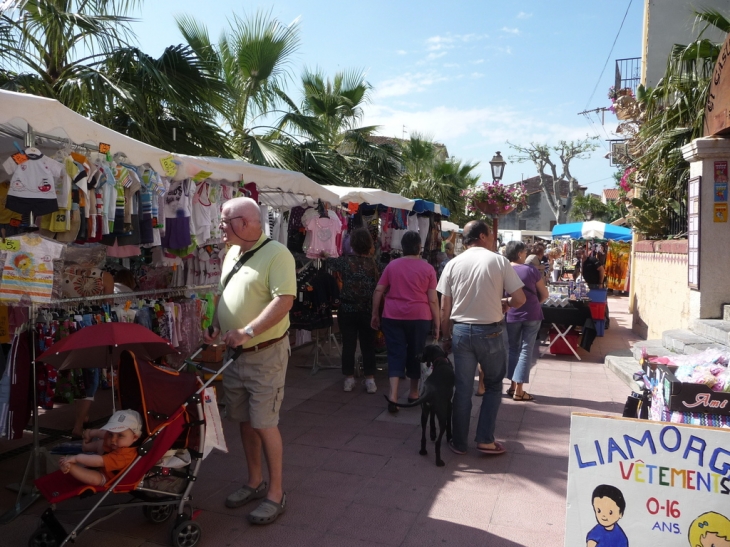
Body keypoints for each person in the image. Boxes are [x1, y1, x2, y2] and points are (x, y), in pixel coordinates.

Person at [203, 196, 295, 525]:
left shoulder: (278, 254)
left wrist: (248, 330)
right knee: (244, 420)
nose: (220, 228)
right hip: (235, 354)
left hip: (264, 353)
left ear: (244, 223)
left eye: (225, 222)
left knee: (264, 423)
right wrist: (216, 324)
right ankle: (254, 481)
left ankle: (276, 492)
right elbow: (223, 293)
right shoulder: (232, 253)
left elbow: (284, 300)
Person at [437, 220, 525, 456]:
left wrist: (445, 336)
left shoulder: (452, 264)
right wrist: (505, 302)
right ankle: (485, 439)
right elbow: (520, 299)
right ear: (484, 236)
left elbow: (445, 307)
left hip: (461, 331)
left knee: (463, 388)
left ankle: (458, 442)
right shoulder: (498, 260)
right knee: (494, 385)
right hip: (491, 332)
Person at [371, 230, 439, 414]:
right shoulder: (428, 269)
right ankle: (414, 392)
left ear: (402, 247)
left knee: (395, 353)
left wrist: (375, 313)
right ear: (419, 247)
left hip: (392, 316)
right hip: (419, 316)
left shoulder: (392, 266)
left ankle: (393, 396)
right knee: (417, 353)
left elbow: (378, 290)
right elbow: (432, 299)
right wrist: (438, 323)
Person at [328, 228, 380, 393]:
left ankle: (349, 379)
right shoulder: (375, 264)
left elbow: (329, 262)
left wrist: (323, 252)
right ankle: (370, 379)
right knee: (368, 346)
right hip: (368, 309)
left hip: (348, 308)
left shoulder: (345, 262)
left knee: (348, 345)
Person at [504, 241, 549, 402]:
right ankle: (519, 390)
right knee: (525, 350)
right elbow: (544, 294)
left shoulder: (504, 270)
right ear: (519, 254)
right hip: (531, 313)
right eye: (524, 252)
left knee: (513, 349)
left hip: (511, 313)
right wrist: (536, 303)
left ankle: (512, 385)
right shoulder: (531, 270)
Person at [58, 409, 142, 486]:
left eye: (120, 435)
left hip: (109, 476)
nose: (113, 439)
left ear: (135, 437)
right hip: (106, 454)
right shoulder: (121, 441)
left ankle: (70, 467)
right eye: (111, 434)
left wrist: (76, 458)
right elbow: (103, 433)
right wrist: (90, 433)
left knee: (96, 479)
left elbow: (98, 461)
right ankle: (86, 447)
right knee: (104, 442)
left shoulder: (124, 456)